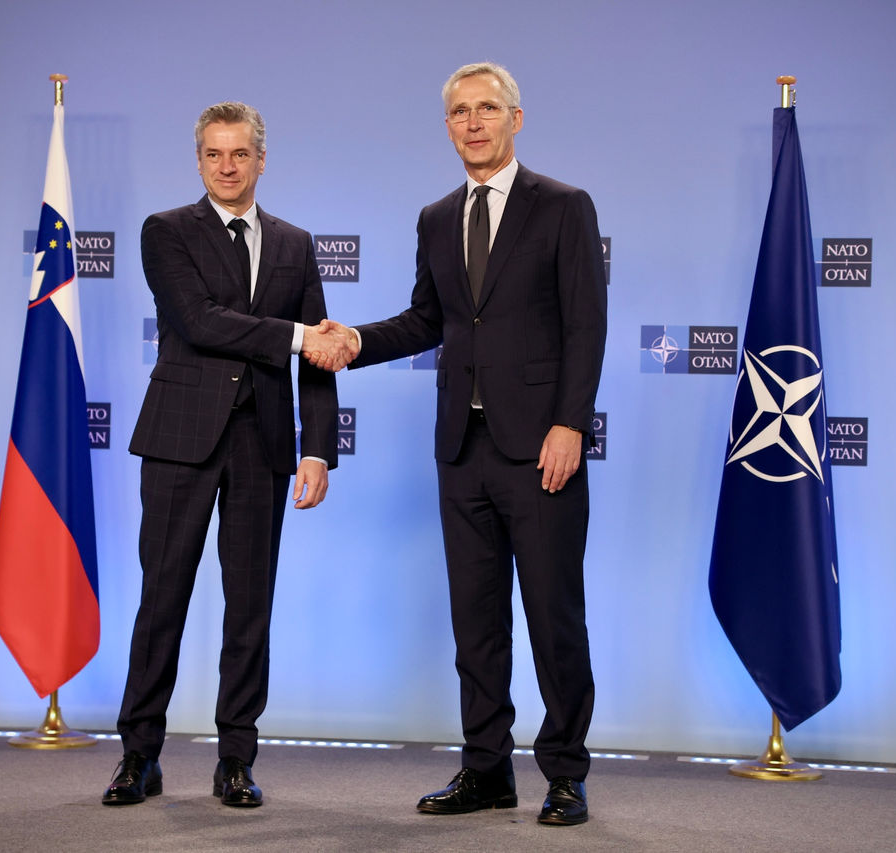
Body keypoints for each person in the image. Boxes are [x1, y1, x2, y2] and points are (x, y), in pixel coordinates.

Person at [312, 62, 607, 826]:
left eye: (486, 109)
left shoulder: (564, 207)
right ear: (447, 127)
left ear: (515, 118)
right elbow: (426, 321)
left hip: (541, 447)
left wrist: (570, 423)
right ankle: (486, 770)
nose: (472, 123)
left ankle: (566, 774)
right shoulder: (436, 216)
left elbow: (586, 324)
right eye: (458, 113)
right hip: (460, 449)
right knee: (475, 621)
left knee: (553, 617)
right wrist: (353, 340)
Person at [103, 101, 349, 808]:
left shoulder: (298, 244)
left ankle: (236, 760)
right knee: (163, 601)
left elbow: (318, 369)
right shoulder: (167, 232)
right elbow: (200, 321)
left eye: (240, 153)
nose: (227, 166)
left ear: (261, 159)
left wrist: (318, 451)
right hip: (181, 438)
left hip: (263, 444)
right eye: (214, 154)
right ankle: (138, 757)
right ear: (200, 160)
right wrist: (302, 336)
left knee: (250, 608)